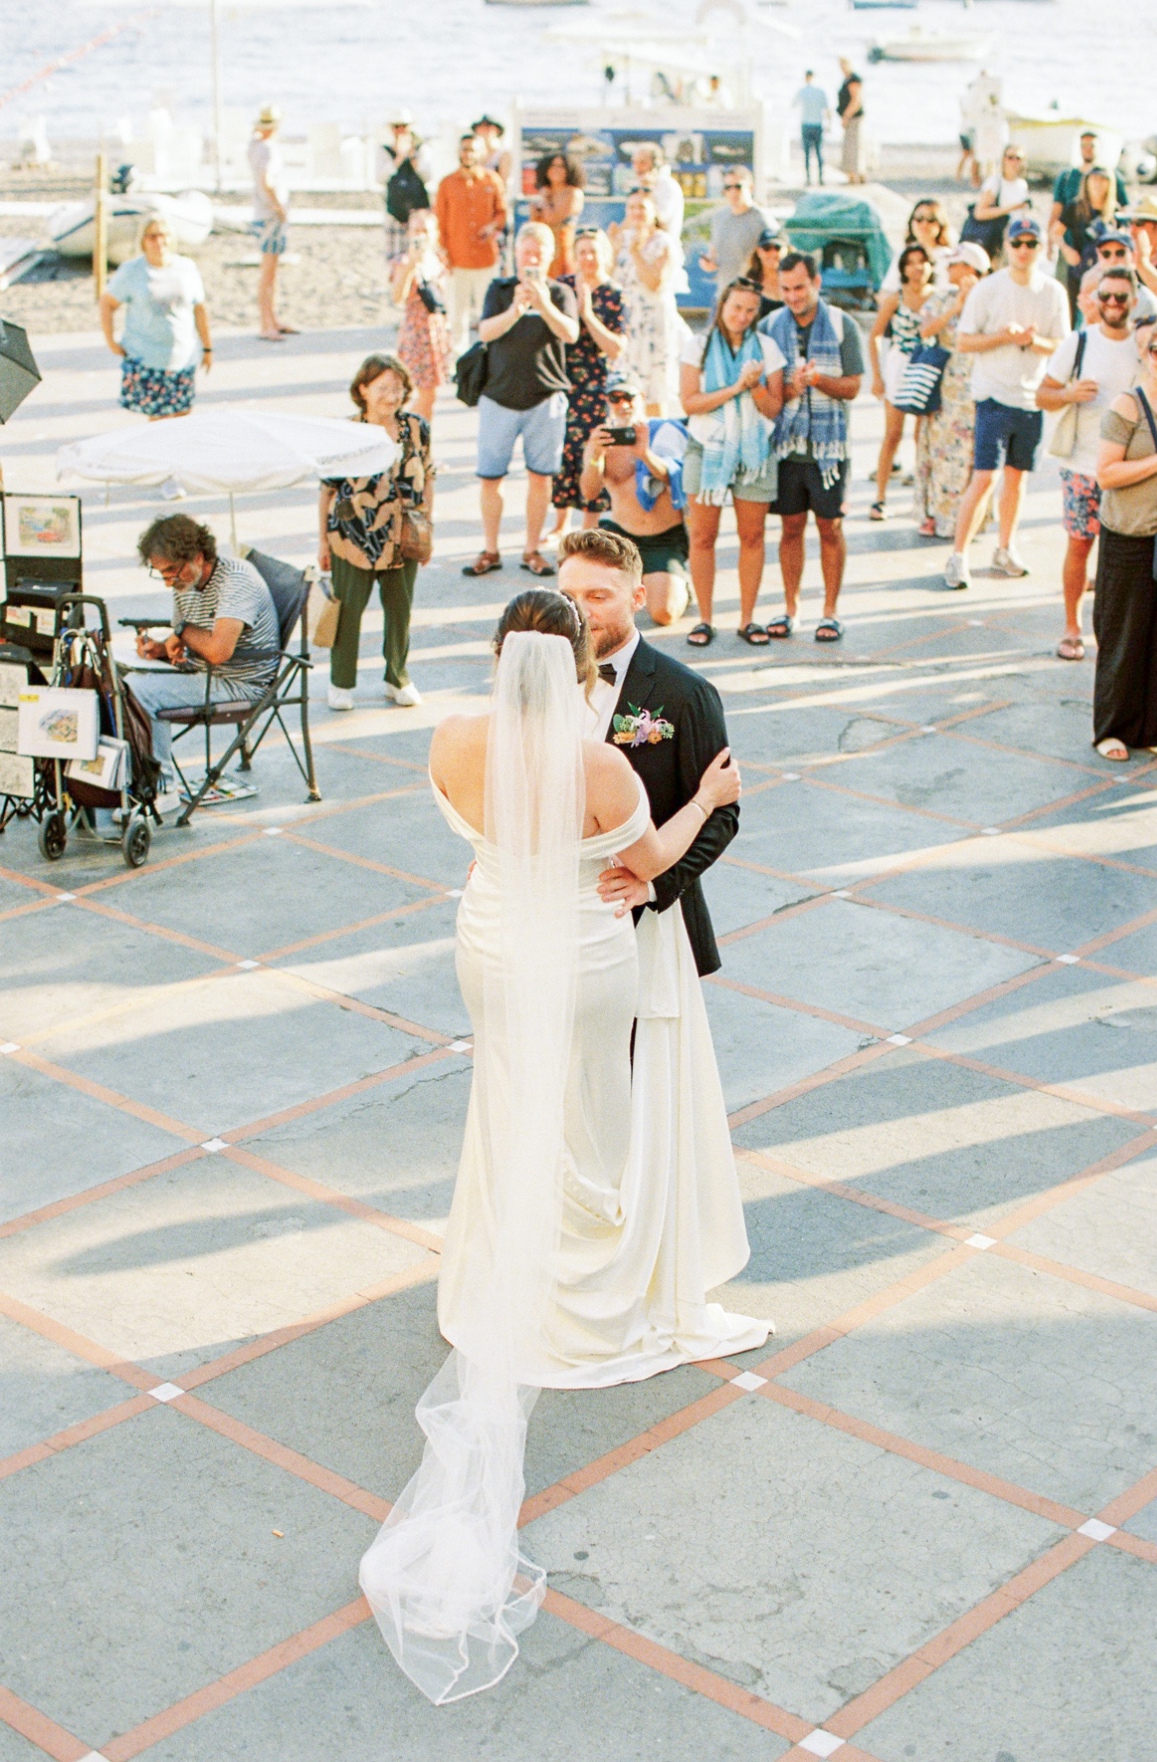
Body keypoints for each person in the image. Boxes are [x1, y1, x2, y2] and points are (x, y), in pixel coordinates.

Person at [360, 583, 769, 1705]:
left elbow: (484, 836)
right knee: (597, 1115)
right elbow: (648, 865)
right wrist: (716, 792)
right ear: (579, 667)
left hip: (490, 941)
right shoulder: (602, 767)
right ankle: (593, 1286)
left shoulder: (451, 739)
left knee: (504, 1100)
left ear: (498, 658)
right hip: (586, 951)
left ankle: (505, 1258)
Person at [558, 527, 743, 978]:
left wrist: (653, 885)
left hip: (642, 920)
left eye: (598, 596)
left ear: (639, 597)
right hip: (554, 909)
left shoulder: (685, 694)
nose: (580, 613)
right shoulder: (544, 677)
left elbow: (723, 814)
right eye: (568, 597)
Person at [1092, 318, 1157, 761]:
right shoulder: (1127, 407)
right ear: (1146, 355)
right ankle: (1112, 730)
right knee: (1123, 634)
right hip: (1129, 535)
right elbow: (1107, 474)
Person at [944, 217, 1069, 589]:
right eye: (1018, 243)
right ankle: (958, 555)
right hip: (993, 396)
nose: (1024, 250)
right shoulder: (989, 289)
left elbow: (1061, 345)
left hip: (1031, 399)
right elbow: (964, 341)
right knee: (985, 477)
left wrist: (1031, 341)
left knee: (1017, 480)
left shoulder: (1052, 292)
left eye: (1032, 243)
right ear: (1006, 247)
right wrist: (1001, 337)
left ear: (1041, 247)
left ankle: (1005, 547)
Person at [125, 514, 280, 808]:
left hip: (239, 683)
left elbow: (219, 651)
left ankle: (162, 787)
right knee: (118, 678)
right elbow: (186, 638)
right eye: (162, 573)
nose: (168, 582)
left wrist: (181, 632)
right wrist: (160, 649)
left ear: (198, 557)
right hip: (203, 672)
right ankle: (135, 777)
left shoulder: (236, 581)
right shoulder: (187, 583)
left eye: (172, 571)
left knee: (137, 691)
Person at [1037, 265, 1141, 661]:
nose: (1113, 304)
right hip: (1083, 466)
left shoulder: (1144, 345)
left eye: (1120, 297)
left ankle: (1117, 635)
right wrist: (1068, 392)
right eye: (1105, 296)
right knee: (1080, 546)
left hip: (1130, 471)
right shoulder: (1078, 342)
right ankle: (1072, 628)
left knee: (1124, 556)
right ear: (1095, 300)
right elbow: (1042, 396)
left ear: (1133, 300)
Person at [759, 251, 864, 642]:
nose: (792, 296)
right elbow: (771, 395)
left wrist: (819, 380)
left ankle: (831, 611)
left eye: (799, 287)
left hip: (830, 449)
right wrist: (795, 386)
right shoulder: (770, 326)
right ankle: (791, 609)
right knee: (790, 528)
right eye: (785, 288)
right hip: (786, 446)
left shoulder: (842, 324)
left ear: (817, 283)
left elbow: (853, 386)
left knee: (830, 527)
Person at [318, 354, 433, 710]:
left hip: (404, 537)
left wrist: (428, 526)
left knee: (400, 611)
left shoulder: (416, 427)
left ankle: (397, 677)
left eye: (397, 388)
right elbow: (327, 491)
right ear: (363, 389)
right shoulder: (346, 431)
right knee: (347, 611)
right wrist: (322, 540)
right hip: (352, 538)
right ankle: (340, 682)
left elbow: (428, 477)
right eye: (382, 388)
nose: (391, 396)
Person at [467, 221, 579, 579]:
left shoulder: (561, 293)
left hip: (545, 398)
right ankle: (490, 548)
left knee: (540, 478)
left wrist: (543, 304)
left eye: (538, 254)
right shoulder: (499, 290)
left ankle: (532, 549)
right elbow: (485, 332)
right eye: (525, 253)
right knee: (490, 478)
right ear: (515, 255)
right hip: (498, 396)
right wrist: (515, 310)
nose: (530, 259)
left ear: (549, 257)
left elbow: (571, 333)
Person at [680, 278, 784, 647]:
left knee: (752, 536)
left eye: (750, 310)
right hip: (707, 448)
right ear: (722, 305)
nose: (742, 316)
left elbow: (774, 406)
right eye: (736, 307)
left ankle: (747, 619)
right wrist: (736, 388)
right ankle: (705, 620)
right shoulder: (699, 345)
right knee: (703, 536)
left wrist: (755, 386)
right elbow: (689, 403)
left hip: (754, 452)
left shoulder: (767, 347)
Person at [580, 368, 691, 625]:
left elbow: (675, 479)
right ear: (608, 403)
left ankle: (679, 585)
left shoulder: (663, 431)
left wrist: (645, 455)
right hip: (622, 536)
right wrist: (596, 456)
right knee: (588, 604)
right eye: (616, 398)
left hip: (663, 537)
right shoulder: (601, 439)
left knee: (663, 614)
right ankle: (638, 580)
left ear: (642, 397)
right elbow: (589, 492)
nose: (623, 404)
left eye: (629, 397)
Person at [547, 227, 625, 544]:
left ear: (604, 254)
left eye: (593, 251)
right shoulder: (562, 287)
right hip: (561, 380)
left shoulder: (613, 293)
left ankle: (589, 526)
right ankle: (559, 523)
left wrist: (588, 314)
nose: (588, 258)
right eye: (582, 252)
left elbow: (616, 348)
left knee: (591, 453)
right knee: (560, 452)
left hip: (595, 384)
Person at [914, 241, 989, 540]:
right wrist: (956, 307)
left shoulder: (989, 296)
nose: (948, 269)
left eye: (954, 264)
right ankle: (938, 514)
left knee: (974, 453)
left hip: (980, 381)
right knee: (940, 449)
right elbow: (926, 330)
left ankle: (971, 519)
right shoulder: (942, 297)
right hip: (947, 384)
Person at [100, 217, 211, 418]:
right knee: (159, 423)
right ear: (142, 240)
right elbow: (107, 303)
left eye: (163, 235)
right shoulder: (131, 271)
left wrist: (207, 347)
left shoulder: (186, 267)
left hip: (183, 357)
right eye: (152, 236)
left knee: (184, 417)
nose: (158, 241)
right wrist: (111, 340)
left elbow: (199, 308)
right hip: (147, 358)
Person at [869, 243, 935, 521]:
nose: (917, 268)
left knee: (923, 438)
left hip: (926, 366)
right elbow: (873, 335)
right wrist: (877, 376)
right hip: (899, 365)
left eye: (922, 261)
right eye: (911, 262)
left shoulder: (938, 297)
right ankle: (880, 498)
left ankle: (923, 499)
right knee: (892, 435)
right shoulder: (895, 299)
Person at [610, 189, 681, 416]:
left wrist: (636, 252)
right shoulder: (622, 239)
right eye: (632, 207)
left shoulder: (664, 242)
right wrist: (612, 247)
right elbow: (609, 276)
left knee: (654, 390)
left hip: (653, 324)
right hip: (628, 322)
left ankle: (653, 441)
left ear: (654, 211)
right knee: (625, 387)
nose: (636, 212)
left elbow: (654, 282)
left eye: (642, 207)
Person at [436, 133, 508, 357]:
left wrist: (491, 227)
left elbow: (502, 213)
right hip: (457, 259)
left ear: (481, 153)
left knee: (488, 310)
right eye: (464, 149)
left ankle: (490, 355)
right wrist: (444, 255)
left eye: (472, 149)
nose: (467, 154)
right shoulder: (447, 183)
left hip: (486, 257)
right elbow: (440, 222)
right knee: (458, 313)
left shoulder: (491, 180)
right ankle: (459, 359)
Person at [390, 209, 452, 429]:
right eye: (416, 230)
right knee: (424, 394)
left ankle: (422, 449)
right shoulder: (404, 261)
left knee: (431, 396)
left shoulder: (439, 259)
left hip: (436, 331)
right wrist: (410, 266)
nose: (421, 236)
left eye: (425, 230)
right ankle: (406, 435)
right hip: (416, 332)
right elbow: (398, 297)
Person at [247, 104, 294, 342]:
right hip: (270, 216)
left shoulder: (255, 146)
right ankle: (267, 324)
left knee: (270, 273)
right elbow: (268, 180)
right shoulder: (267, 150)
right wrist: (278, 206)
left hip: (261, 213)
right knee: (268, 273)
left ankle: (271, 319)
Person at [1051, 167, 1118, 323]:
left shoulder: (1114, 211)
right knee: (1074, 314)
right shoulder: (1076, 207)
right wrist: (1067, 250)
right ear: (1086, 182)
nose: (1098, 184)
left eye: (1103, 180)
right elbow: (1055, 232)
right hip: (1078, 268)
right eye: (1094, 179)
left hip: (1103, 270)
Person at [699, 166, 772, 292]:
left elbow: (775, 259)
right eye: (728, 187)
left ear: (750, 187)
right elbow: (714, 252)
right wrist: (707, 262)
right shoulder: (719, 218)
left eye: (738, 187)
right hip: (724, 293)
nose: (733, 192)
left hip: (752, 294)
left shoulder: (763, 220)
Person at [1049, 130, 1129, 236]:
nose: (1088, 149)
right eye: (1084, 145)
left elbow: (1123, 212)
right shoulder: (1067, 177)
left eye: (1092, 145)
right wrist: (1050, 248)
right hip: (1070, 244)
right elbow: (1056, 212)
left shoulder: (1111, 177)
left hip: (1103, 243)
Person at [378, 111, 430, 266]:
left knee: (420, 258)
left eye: (404, 126)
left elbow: (427, 175)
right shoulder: (385, 151)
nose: (400, 130)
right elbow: (381, 177)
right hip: (395, 211)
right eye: (396, 127)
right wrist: (398, 157)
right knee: (395, 260)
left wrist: (413, 156)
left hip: (418, 211)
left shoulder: (421, 149)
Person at [1087, 226, 1157, 326]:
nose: (1113, 260)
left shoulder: (1145, 300)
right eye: (1106, 254)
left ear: (1133, 257)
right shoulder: (1093, 297)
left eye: (1120, 253)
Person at [529, 149, 586, 279]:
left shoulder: (573, 193)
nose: (556, 170)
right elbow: (533, 225)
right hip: (541, 250)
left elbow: (553, 218)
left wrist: (544, 200)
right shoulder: (546, 191)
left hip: (562, 251)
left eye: (561, 166)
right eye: (553, 166)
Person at [971, 144, 1032, 260]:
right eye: (1010, 157)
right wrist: (1011, 208)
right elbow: (979, 213)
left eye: (1018, 158)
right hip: (996, 238)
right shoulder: (995, 182)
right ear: (1004, 159)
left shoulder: (1022, 184)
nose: (1014, 161)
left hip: (1015, 238)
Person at [880, 199, 955, 293]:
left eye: (931, 219)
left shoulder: (948, 257)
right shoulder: (903, 254)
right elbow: (887, 289)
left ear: (940, 224)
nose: (924, 224)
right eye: (919, 218)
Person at [472, 114, 512, 271]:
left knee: (500, 258)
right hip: (478, 214)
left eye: (488, 127)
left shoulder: (502, 155)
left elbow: (502, 186)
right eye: (481, 128)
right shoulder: (475, 157)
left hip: (496, 213)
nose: (484, 131)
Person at [629, 142, 684, 241]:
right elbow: (630, 222)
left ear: (655, 164)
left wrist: (648, 193)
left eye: (642, 162)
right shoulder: (637, 185)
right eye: (634, 162)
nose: (637, 167)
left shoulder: (668, 186)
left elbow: (660, 222)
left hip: (662, 249)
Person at [794, 70, 831, 186]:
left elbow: (793, 104)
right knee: (819, 151)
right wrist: (829, 123)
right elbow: (827, 109)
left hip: (806, 124)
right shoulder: (820, 92)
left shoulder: (803, 91)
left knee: (807, 153)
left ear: (806, 78)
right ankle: (820, 177)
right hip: (817, 124)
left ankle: (808, 178)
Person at [837, 60, 865, 185]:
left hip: (854, 117)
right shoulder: (847, 79)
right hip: (850, 116)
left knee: (854, 146)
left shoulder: (853, 79)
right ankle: (853, 174)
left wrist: (846, 116)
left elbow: (856, 101)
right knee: (850, 146)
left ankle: (855, 175)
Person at [747, 229, 785, 318]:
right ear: (758, 251)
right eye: (766, 248)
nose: (773, 253)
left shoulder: (794, 282)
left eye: (777, 247)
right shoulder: (749, 284)